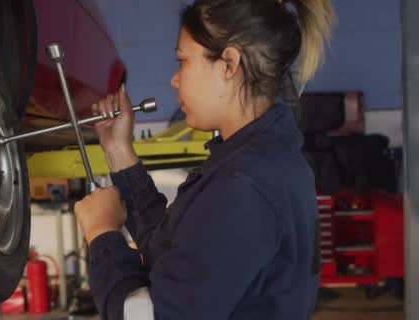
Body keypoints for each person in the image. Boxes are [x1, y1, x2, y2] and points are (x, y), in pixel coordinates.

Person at [73, 0, 336, 319]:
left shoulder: (245, 186)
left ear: (228, 64)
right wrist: (119, 151)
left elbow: (154, 315)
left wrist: (102, 234)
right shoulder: (259, 162)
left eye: (182, 61)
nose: (174, 79)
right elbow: (171, 249)